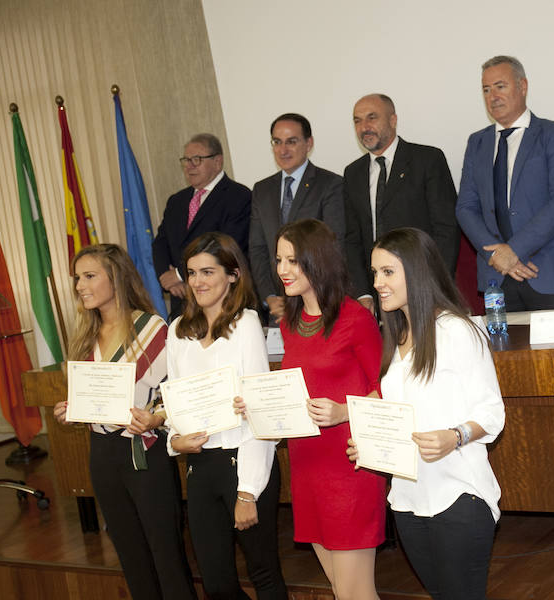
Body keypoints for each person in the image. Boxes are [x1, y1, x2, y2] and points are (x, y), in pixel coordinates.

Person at [350, 227, 505, 599]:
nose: (377, 283)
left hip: (460, 497)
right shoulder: (397, 337)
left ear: (417, 271)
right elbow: (399, 415)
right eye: (374, 273)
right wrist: (371, 444)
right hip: (407, 501)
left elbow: (493, 412)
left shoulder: (458, 331)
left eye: (388, 272)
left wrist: (455, 436)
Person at [237, 218, 385, 600]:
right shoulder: (289, 322)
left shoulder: (357, 319)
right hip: (308, 466)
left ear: (317, 261)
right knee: (340, 587)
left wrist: (344, 412)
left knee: (355, 591)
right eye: (279, 260)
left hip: (351, 466)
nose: (282, 270)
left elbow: (387, 392)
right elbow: (294, 392)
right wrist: (257, 406)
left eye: (293, 261)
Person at [53, 244, 196, 600]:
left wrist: (155, 417)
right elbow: (92, 398)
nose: (80, 286)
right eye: (77, 279)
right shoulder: (84, 334)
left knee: (165, 554)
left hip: (143, 452)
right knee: (129, 553)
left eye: (89, 276)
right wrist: (71, 409)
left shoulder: (152, 329)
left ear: (115, 277)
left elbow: (174, 393)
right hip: (102, 454)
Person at [165, 232, 287, 600]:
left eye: (207, 272)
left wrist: (248, 490)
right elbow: (175, 404)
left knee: (263, 572)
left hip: (245, 462)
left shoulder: (246, 322)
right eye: (191, 273)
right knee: (217, 583)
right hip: (201, 467)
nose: (197, 282)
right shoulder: (177, 331)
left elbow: (259, 411)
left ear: (232, 274)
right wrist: (174, 439)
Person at [456, 55, 554, 311]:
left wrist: (514, 250)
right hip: (497, 277)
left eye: (500, 86)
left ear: (523, 86)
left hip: (548, 273)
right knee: (504, 352)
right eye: (486, 89)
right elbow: (466, 207)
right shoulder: (477, 143)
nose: (492, 96)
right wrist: (496, 256)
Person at [344, 94, 459, 306]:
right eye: (357, 121)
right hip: (377, 292)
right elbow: (352, 239)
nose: (364, 127)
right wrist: (363, 293)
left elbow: (447, 229)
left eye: (372, 118)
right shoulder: (353, 173)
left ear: (393, 120)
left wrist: (435, 283)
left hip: (423, 286)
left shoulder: (427, 160)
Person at [249, 113, 344, 323]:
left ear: (309, 143)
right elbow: (257, 249)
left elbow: (332, 246)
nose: (283, 150)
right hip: (276, 307)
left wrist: (309, 294)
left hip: (319, 302)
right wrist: (270, 297)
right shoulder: (262, 189)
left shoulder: (330, 184)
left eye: (291, 142)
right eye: (277, 142)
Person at [153, 133, 252, 320]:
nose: (189, 166)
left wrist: (182, 275)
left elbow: (227, 246)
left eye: (197, 160)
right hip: (181, 303)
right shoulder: (176, 201)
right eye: (186, 160)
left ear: (217, 161)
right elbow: (160, 243)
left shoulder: (238, 196)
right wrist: (168, 280)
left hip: (223, 303)